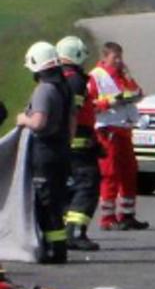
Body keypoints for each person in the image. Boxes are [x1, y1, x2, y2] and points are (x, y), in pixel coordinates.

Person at [17, 42, 74, 264]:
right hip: (61, 150)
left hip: (45, 152)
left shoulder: (44, 90)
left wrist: (23, 119)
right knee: (56, 202)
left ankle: (52, 250)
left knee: (45, 203)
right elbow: (72, 121)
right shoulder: (65, 88)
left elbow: (38, 122)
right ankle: (57, 248)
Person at [88, 42, 146, 231]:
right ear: (104, 58)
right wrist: (111, 102)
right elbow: (89, 105)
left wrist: (129, 79)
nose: (119, 61)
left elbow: (138, 94)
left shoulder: (122, 75)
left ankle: (127, 215)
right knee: (110, 174)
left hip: (124, 129)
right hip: (108, 131)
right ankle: (108, 217)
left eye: (121, 57)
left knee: (129, 171)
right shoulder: (95, 76)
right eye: (115, 58)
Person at [55, 36, 101, 251]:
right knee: (87, 186)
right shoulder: (76, 81)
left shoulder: (58, 78)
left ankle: (66, 231)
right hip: (78, 145)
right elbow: (74, 113)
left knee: (69, 189)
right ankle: (75, 232)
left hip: (63, 145)